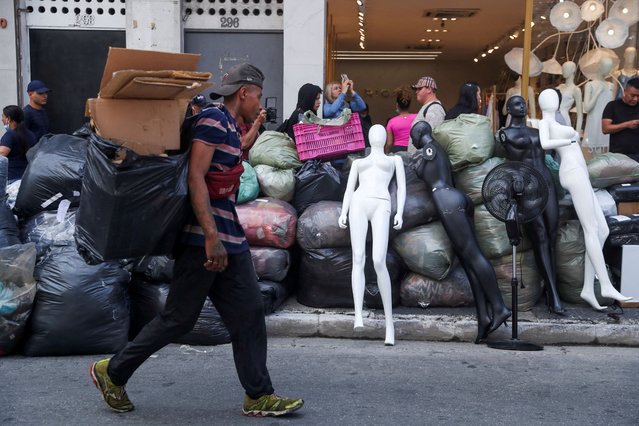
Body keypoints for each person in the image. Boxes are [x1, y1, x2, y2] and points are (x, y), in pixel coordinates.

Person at [89, 63, 304, 417]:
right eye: (258, 95)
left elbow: (227, 162)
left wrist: (250, 134)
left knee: (249, 312)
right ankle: (111, 372)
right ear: (245, 92)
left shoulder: (231, 127)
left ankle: (259, 395)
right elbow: (196, 177)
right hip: (204, 240)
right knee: (178, 319)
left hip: (229, 237)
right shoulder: (212, 122)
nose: (259, 102)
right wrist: (210, 237)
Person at [410, 121, 511, 343]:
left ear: (420, 133)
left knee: (473, 255)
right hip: (456, 198)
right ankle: (484, 318)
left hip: (446, 201)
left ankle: (499, 306)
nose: (412, 141)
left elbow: (422, 172)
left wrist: (414, 164)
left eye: (412, 136)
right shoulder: (439, 150)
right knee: (467, 261)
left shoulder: (428, 149)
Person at [538, 88, 632, 311]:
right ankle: (606, 285)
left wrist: (568, 137)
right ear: (545, 101)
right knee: (591, 229)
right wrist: (568, 138)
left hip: (581, 173)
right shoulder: (545, 122)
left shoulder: (557, 120)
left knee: (603, 231)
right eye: (550, 96)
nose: (553, 98)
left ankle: (588, 289)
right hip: (571, 173)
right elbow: (543, 144)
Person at [338, 124, 406, 346]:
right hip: (359, 202)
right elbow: (349, 189)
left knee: (378, 260)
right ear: (369, 137)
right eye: (373, 132)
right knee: (358, 257)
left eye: (380, 132)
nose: (376, 135)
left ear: (385, 138)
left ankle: (389, 324)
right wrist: (344, 212)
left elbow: (402, 188)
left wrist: (400, 213)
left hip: (382, 204)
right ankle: (358, 313)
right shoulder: (358, 162)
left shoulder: (395, 160)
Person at [498, 96, 564, 315]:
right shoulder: (504, 134)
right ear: (508, 109)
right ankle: (554, 296)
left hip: (546, 182)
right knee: (541, 236)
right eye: (517, 103)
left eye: (524, 102)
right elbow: (507, 165)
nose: (523, 106)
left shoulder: (537, 131)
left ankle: (551, 289)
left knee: (552, 235)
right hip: (526, 187)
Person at [602, 77, 639, 162]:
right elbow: (605, 129)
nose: (635, 99)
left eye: (638, 96)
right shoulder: (612, 106)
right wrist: (627, 124)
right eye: (632, 95)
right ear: (625, 91)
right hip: (618, 154)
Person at [582, 57, 614, 151]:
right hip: (594, 121)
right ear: (600, 67)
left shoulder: (611, 86)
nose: (608, 70)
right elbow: (587, 108)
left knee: (605, 153)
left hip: (607, 122)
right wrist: (597, 93)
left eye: (610, 67)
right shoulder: (590, 85)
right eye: (606, 67)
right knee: (595, 155)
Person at [1, 105, 37, 183]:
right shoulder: (31, 134)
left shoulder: (9, 135)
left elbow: (2, 154)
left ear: (9, 119)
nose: (2, 119)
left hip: (11, 179)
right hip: (27, 179)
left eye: (3, 117)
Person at [385, 86, 417, 153]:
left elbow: (389, 144)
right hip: (413, 150)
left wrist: (385, 153)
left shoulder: (391, 122)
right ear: (409, 105)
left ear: (397, 105)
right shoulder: (416, 117)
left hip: (398, 151)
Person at [557, 61, 583, 131]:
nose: (563, 70)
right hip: (553, 117)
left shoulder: (576, 90)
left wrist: (577, 134)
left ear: (573, 69)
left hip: (564, 118)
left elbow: (580, 115)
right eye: (563, 68)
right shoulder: (559, 87)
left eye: (566, 68)